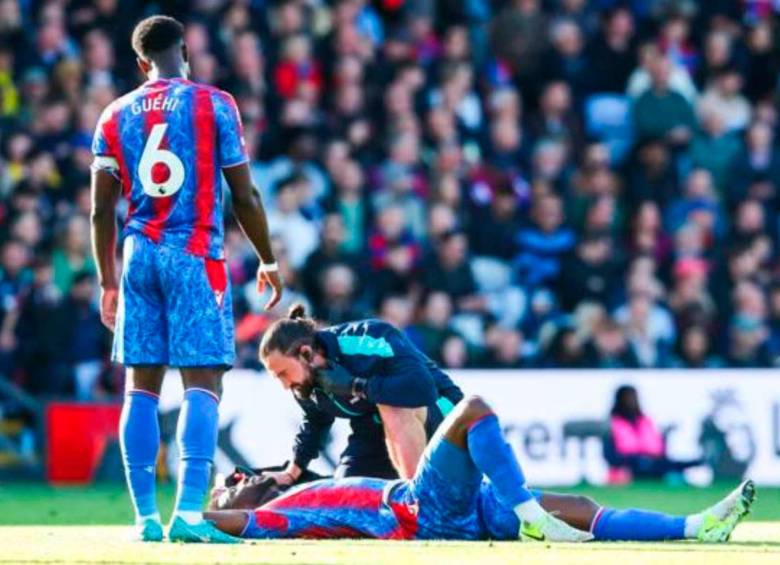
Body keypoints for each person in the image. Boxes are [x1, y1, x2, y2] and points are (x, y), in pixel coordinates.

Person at [89, 16, 283, 543]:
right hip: (194, 254)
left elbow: (100, 211)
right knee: (203, 384)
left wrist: (108, 280)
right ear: (185, 51)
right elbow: (244, 195)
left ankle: (144, 520)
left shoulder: (114, 113)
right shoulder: (215, 103)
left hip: (138, 255)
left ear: (140, 62)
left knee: (141, 387)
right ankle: (191, 516)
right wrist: (267, 259)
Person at [205, 396, 755, 543]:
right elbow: (229, 522)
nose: (239, 479)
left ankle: (696, 526)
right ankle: (526, 514)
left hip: (447, 510)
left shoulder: (286, 494)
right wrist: (196, 515)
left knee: (582, 510)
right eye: (231, 489)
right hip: (420, 508)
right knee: (473, 411)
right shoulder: (275, 518)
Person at [259, 304, 463, 483]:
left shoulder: (369, 337)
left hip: (443, 413)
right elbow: (316, 421)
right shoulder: (303, 381)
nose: (284, 385)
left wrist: (357, 386)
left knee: (390, 405)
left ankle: (417, 502)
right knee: (344, 498)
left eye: (283, 374)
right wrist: (291, 473)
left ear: (306, 353)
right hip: (376, 431)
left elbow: (422, 388)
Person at [606, 385, 704, 479]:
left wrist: (665, 436)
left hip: (653, 462)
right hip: (628, 465)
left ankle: (698, 462)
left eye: (633, 397)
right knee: (646, 463)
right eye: (628, 397)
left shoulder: (645, 421)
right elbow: (610, 456)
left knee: (669, 464)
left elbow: (658, 448)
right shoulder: (613, 423)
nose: (631, 401)